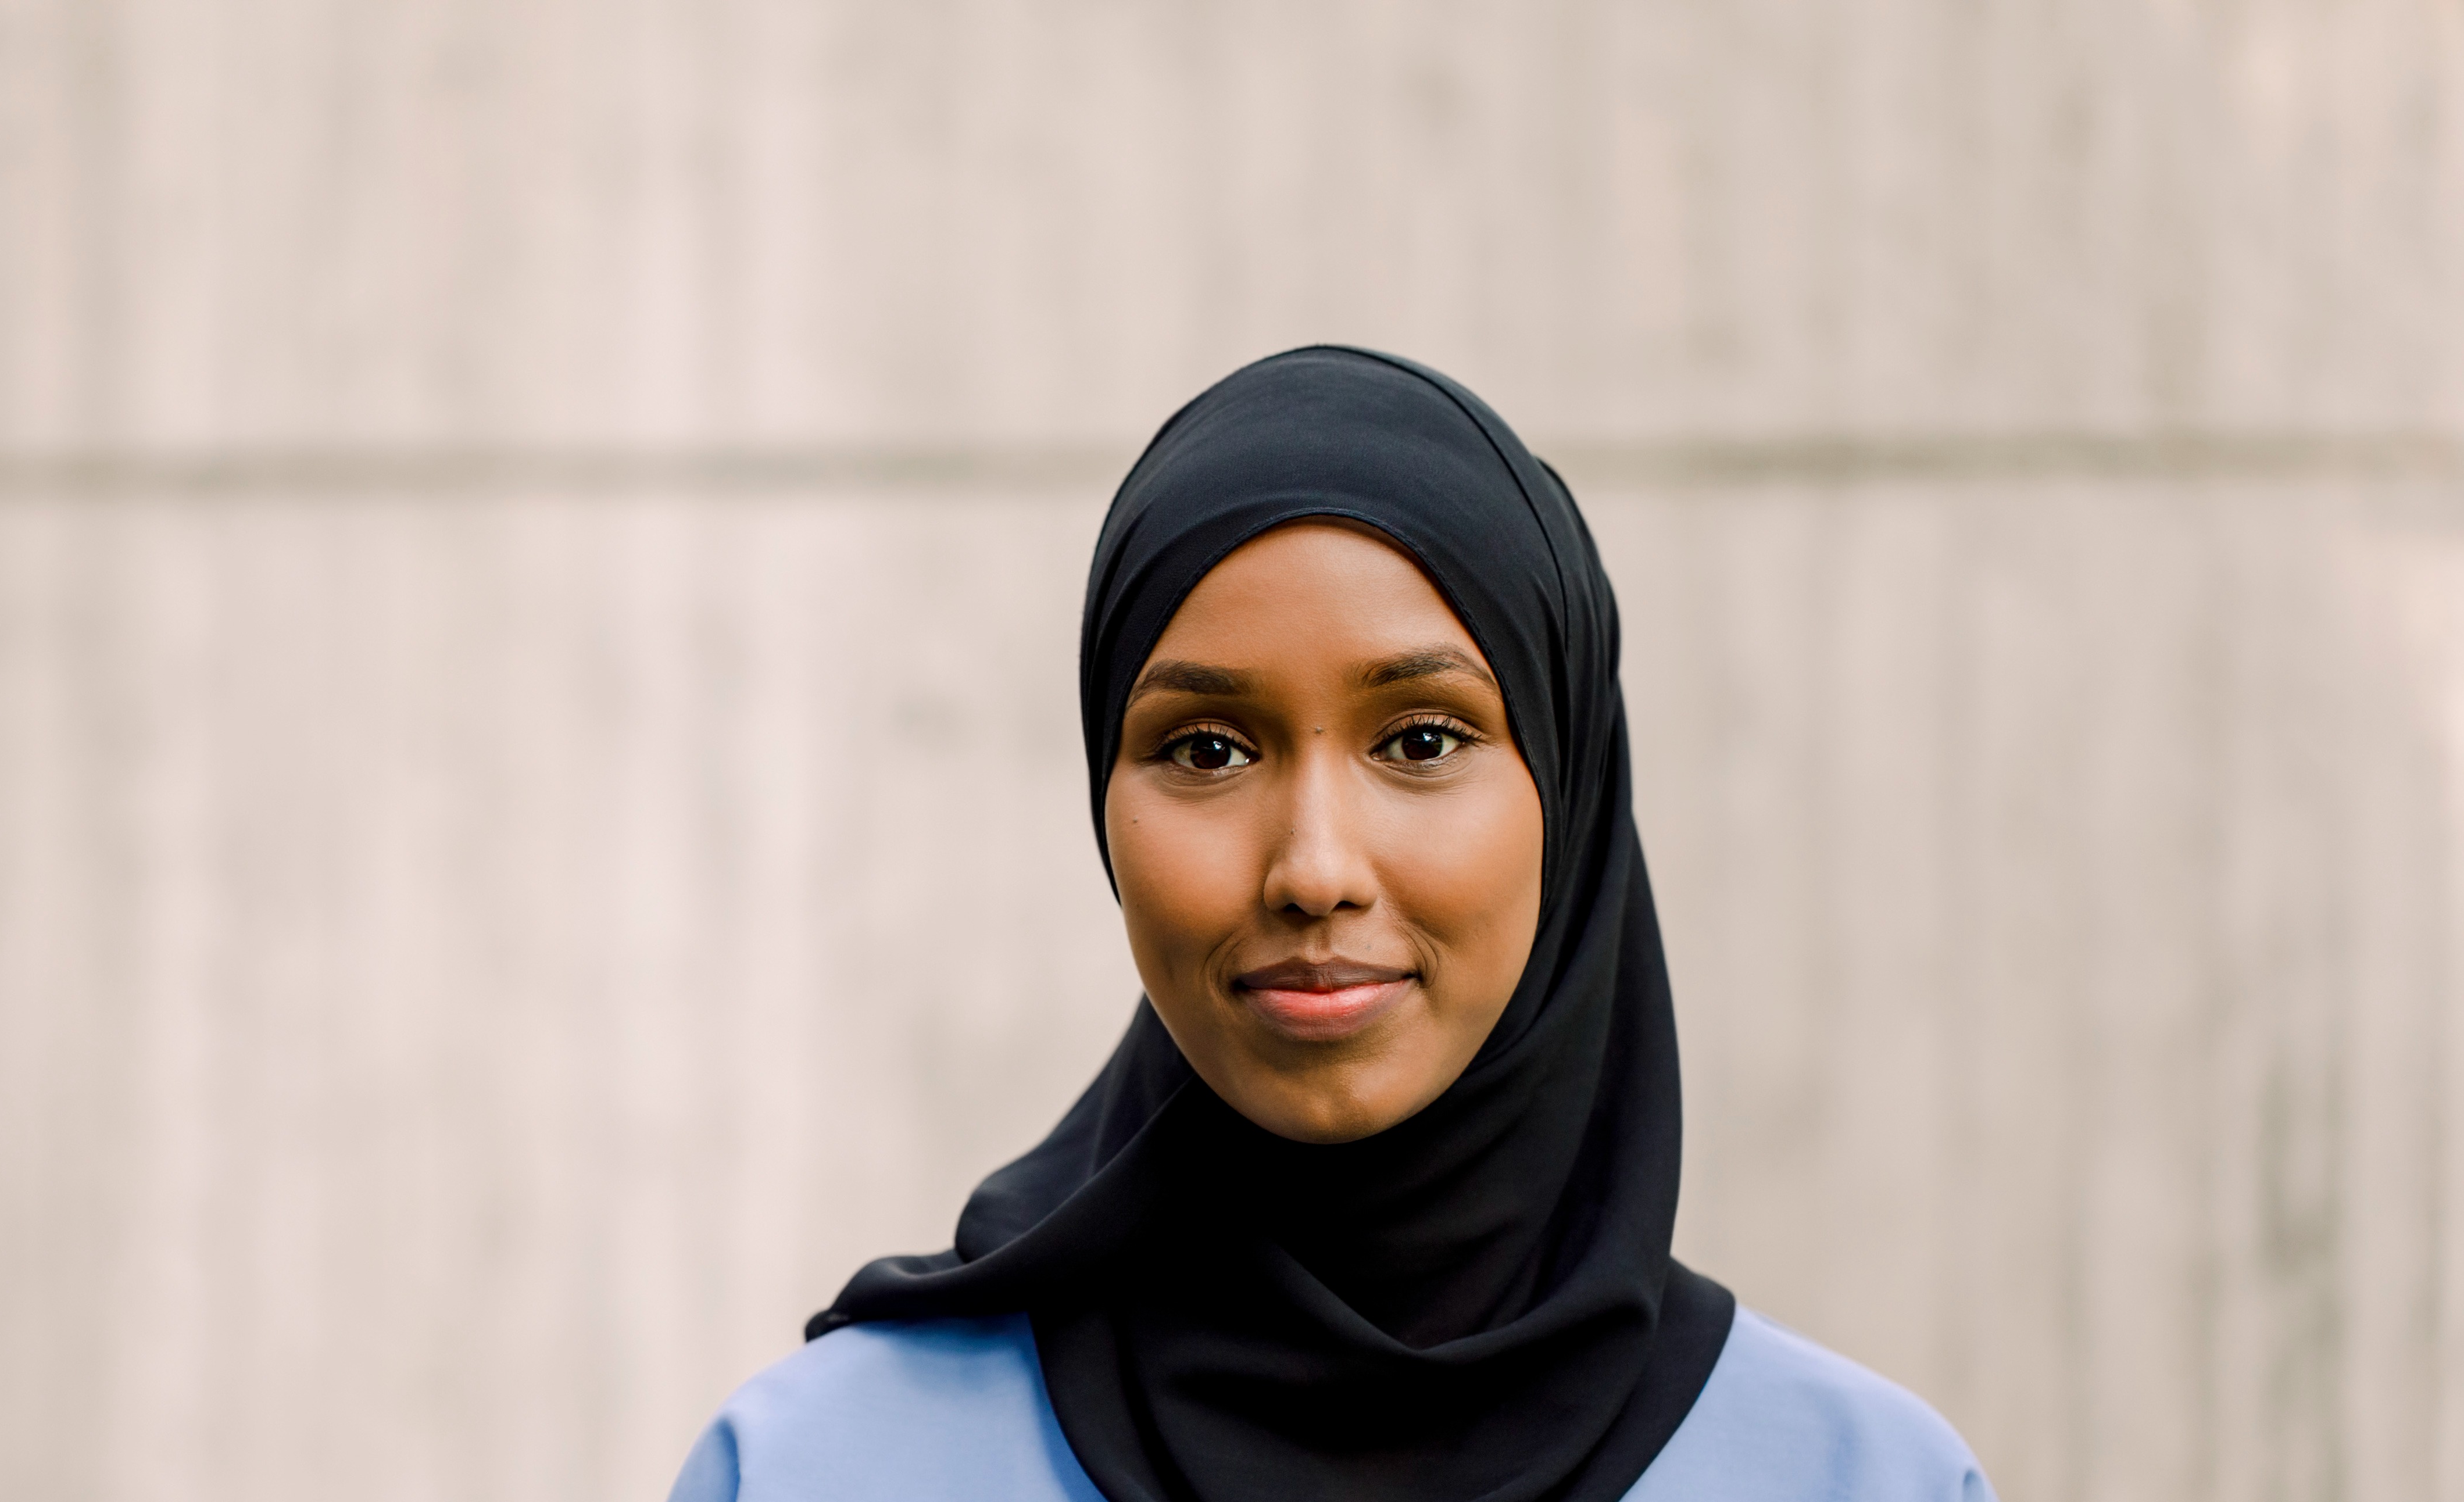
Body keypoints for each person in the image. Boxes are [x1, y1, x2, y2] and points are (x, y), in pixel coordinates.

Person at [666, 348, 1994, 1502]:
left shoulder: (1862, 1477)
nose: (1312, 867)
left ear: (1572, 795)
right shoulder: (819, 1465)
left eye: (1421, 738)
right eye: (1203, 746)